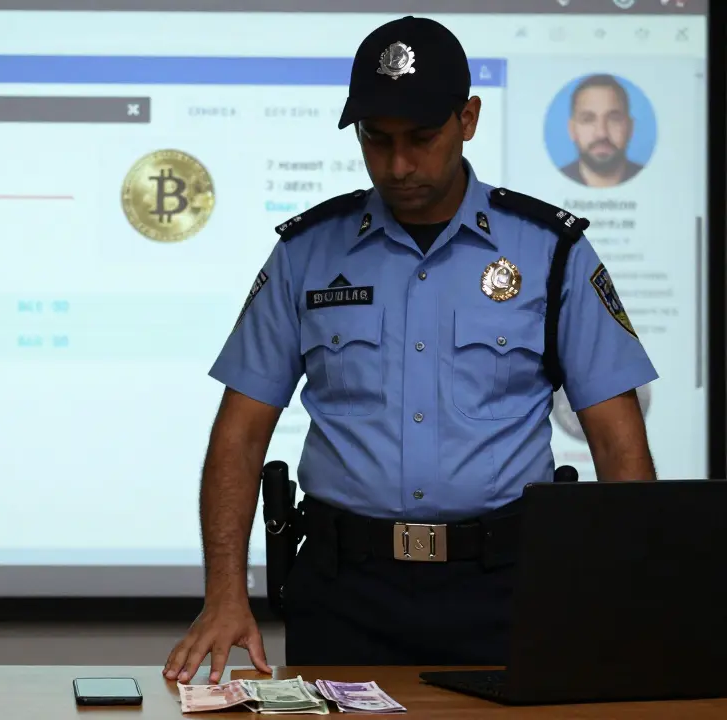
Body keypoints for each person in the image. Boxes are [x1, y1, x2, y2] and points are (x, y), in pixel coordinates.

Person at [163, 16, 658, 684]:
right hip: (344, 594)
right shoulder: (306, 252)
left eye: (421, 139)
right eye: (378, 140)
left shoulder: (551, 250)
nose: (398, 165)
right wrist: (224, 593)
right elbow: (240, 435)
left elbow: (620, 446)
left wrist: (631, 604)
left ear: (468, 119)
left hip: (506, 589)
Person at [558, 73, 645, 188]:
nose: (601, 133)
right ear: (572, 129)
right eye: (588, 119)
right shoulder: (551, 183)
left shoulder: (653, 182)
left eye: (614, 119)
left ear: (630, 127)